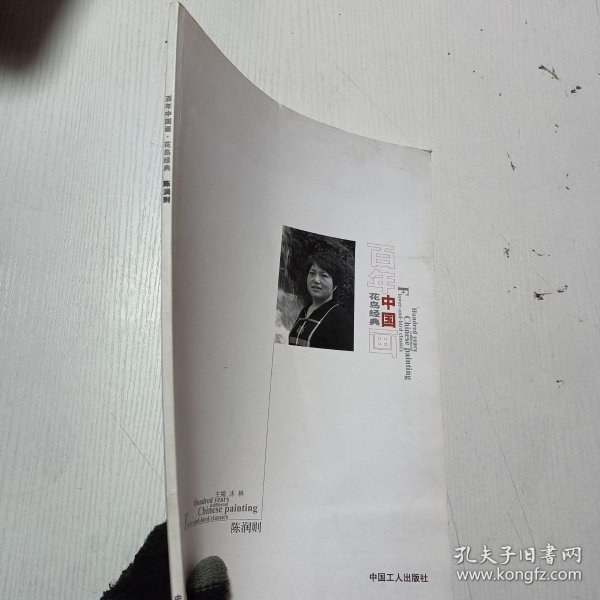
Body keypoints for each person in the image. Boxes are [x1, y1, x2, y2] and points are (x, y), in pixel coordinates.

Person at [288, 251, 353, 351]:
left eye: (323, 275)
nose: (316, 280)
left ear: (335, 285)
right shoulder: (305, 311)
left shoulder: (342, 318)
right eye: (312, 273)